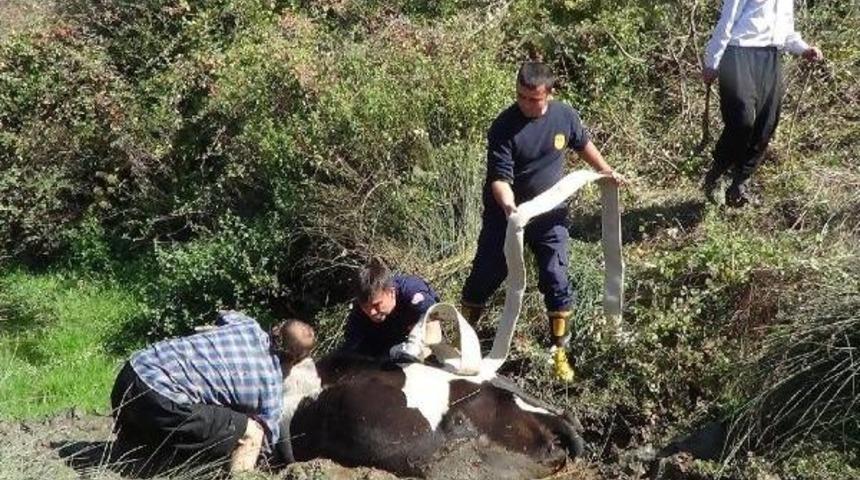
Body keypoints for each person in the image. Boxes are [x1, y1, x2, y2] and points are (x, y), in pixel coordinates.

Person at [459, 61, 625, 383]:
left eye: (532, 99)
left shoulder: (565, 116)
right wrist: (511, 208)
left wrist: (606, 171)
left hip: (551, 215)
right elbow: (499, 179)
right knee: (485, 276)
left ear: (549, 94)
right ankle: (464, 337)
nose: (525, 103)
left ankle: (558, 352)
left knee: (555, 277)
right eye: (520, 96)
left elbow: (582, 143)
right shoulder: (504, 127)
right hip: (507, 218)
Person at [110, 310, 315, 473]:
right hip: (157, 401)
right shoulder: (269, 388)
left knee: (203, 409)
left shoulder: (247, 325)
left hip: (130, 375)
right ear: (295, 361)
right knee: (254, 432)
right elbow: (267, 441)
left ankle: (137, 451)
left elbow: (225, 314)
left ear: (277, 327)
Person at [702, 0, 823, 207]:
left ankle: (740, 182)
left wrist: (804, 49)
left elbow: (786, 30)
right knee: (741, 120)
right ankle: (717, 172)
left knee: (767, 123)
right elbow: (727, 21)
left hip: (770, 57)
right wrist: (712, 62)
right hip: (738, 53)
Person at [338, 258, 439, 360]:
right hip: (384, 354)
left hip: (422, 349)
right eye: (365, 307)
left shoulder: (411, 291)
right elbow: (351, 347)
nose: (372, 312)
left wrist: (416, 337)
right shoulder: (358, 312)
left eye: (376, 305)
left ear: (391, 292)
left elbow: (433, 312)